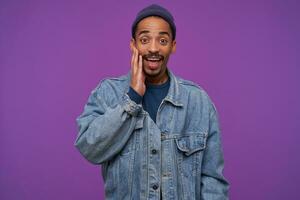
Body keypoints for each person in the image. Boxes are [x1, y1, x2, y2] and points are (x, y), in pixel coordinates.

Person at [75, 4, 229, 200]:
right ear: (133, 45)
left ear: (173, 46)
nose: (154, 48)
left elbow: (212, 180)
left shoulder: (198, 101)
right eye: (145, 40)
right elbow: (89, 148)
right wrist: (132, 99)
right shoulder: (108, 93)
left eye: (162, 40)